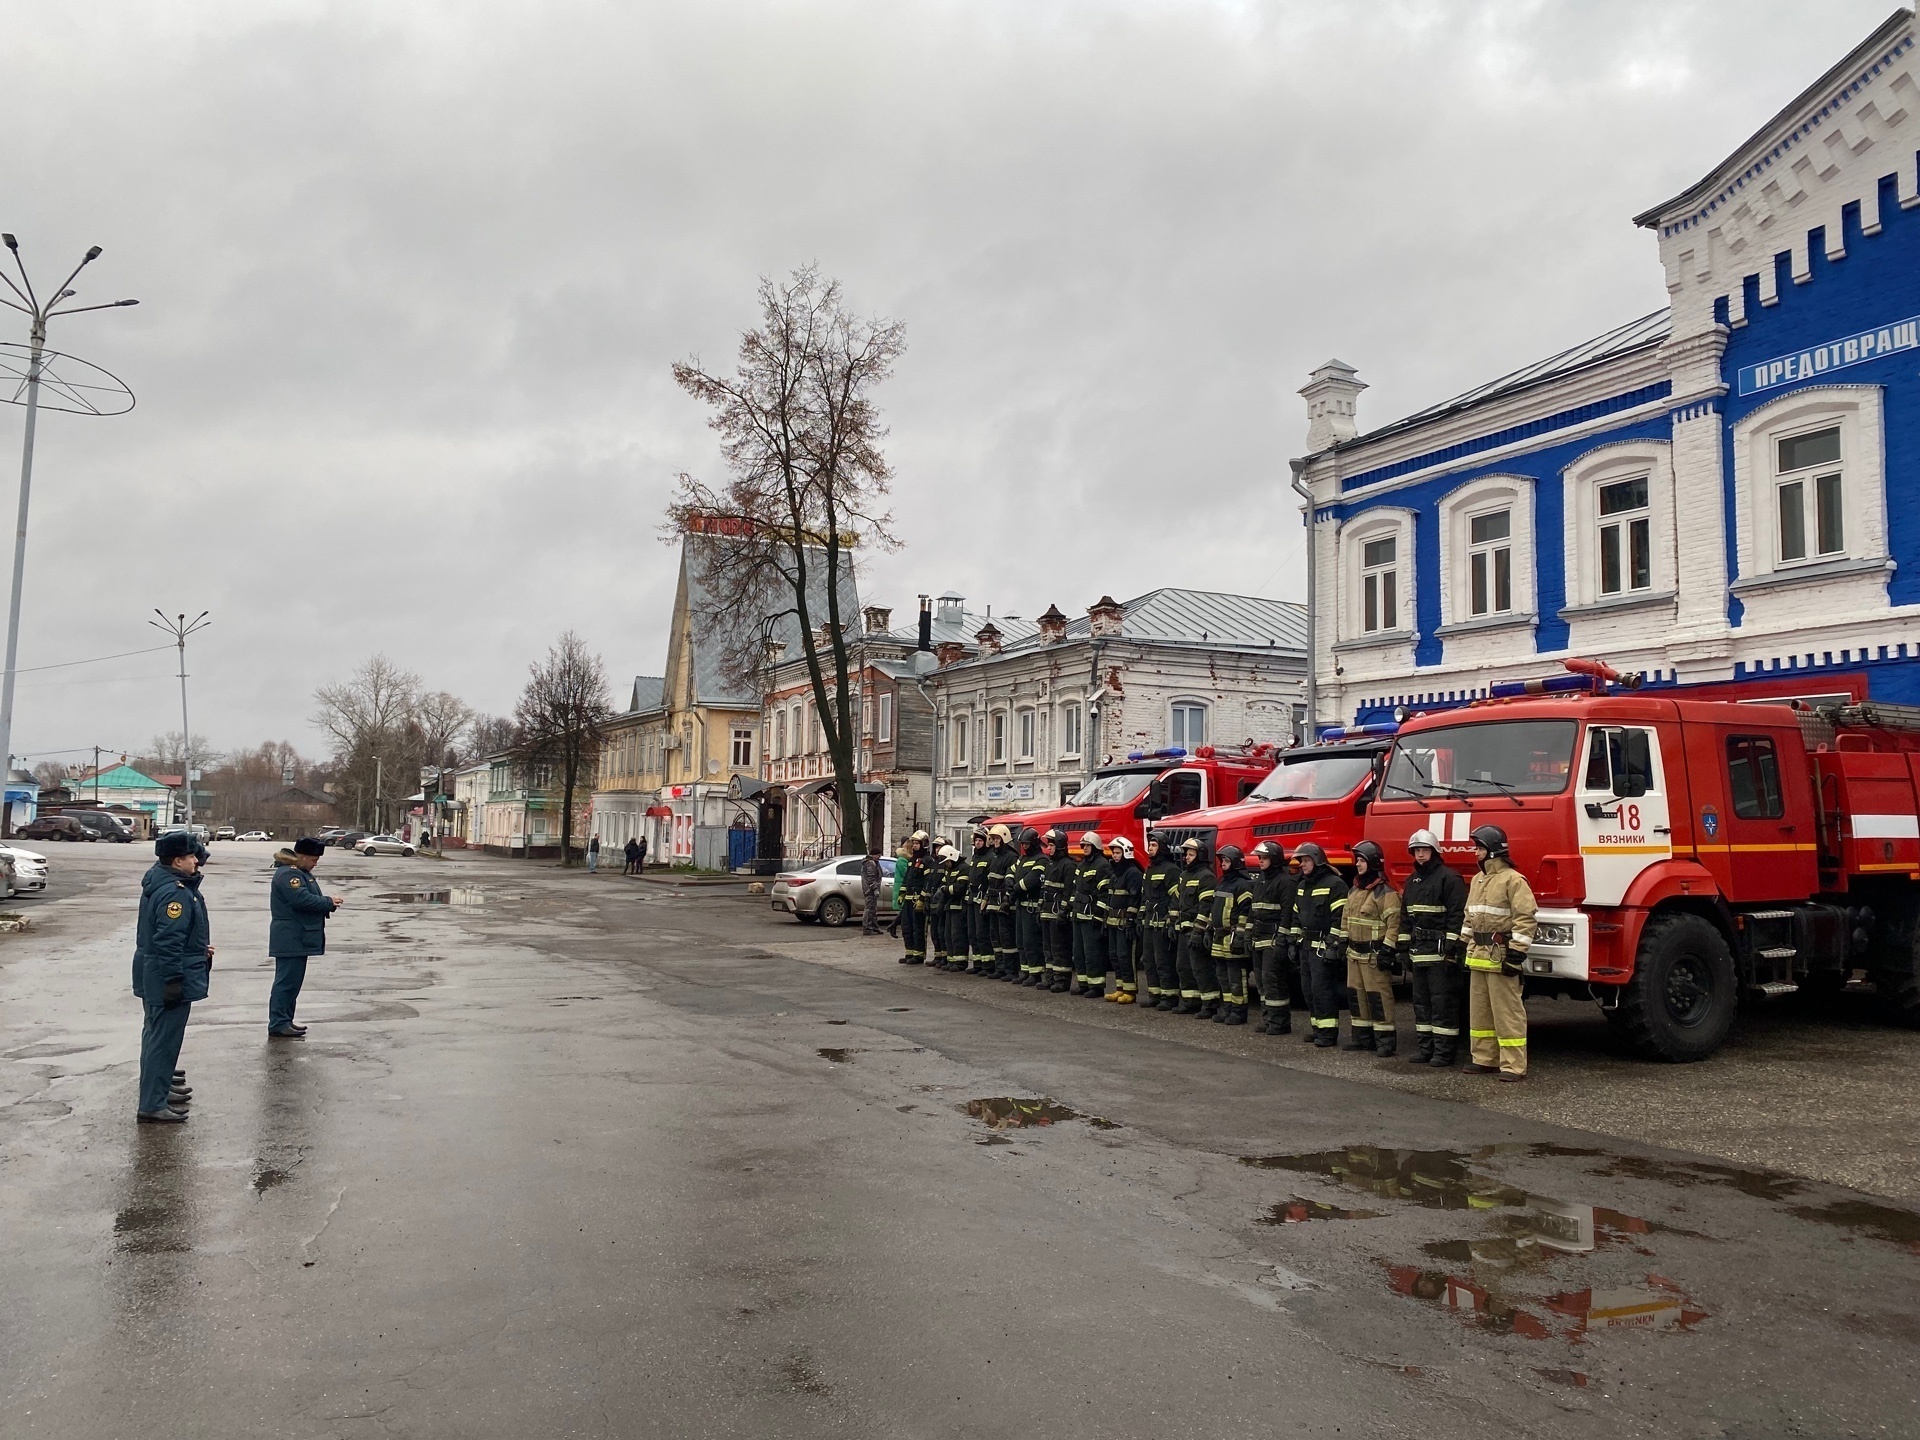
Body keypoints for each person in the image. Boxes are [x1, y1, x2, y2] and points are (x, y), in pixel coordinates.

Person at [136, 831, 213, 1122]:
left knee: (156, 1035)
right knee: (163, 1040)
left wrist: (198, 948)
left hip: (155, 969)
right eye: (192, 856)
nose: (197, 861)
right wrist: (173, 980)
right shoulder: (175, 892)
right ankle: (153, 1103)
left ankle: (158, 1089)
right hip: (165, 973)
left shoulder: (163, 881)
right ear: (178, 860)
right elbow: (169, 939)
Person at [1463, 824, 1537, 1082]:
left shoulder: (1513, 880)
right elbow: (1469, 917)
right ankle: (1484, 1059)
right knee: (1481, 1013)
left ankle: (1513, 1065)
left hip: (1501, 955)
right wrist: (1462, 945)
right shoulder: (1477, 880)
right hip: (1478, 956)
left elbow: (1525, 919)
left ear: (1493, 852)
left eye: (1479, 849)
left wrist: (1516, 954)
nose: (1476, 854)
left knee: (1507, 1014)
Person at [1401, 828, 1469, 1067]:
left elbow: (1457, 916)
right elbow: (1405, 917)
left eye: (1424, 850)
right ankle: (1425, 1049)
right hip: (1419, 951)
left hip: (1441, 953)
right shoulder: (1412, 881)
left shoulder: (1449, 879)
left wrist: (1452, 948)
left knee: (1443, 1004)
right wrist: (1402, 948)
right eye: (1417, 850)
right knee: (1421, 1004)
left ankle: (1444, 1052)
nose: (1420, 855)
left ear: (1434, 851)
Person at [268, 836, 341, 1039]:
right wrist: (328, 902)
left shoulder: (299, 873)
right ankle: (278, 1022)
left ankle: (285, 1020)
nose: (315, 864)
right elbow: (300, 899)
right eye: (313, 859)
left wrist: (327, 904)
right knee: (286, 982)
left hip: (298, 936)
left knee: (292, 983)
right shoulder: (289, 875)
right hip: (291, 936)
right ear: (301, 856)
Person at [1341, 839, 1401, 1056]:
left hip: (1374, 957)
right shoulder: (1354, 891)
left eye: (1362, 860)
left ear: (1373, 863)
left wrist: (1388, 950)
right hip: (1354, 956)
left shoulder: (1386, 893)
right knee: (1356, 997)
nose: (1357, 864)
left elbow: (1394, 926)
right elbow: (1345, 919)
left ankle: (1385, 1041)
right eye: (1357, 860)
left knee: (1378, 998)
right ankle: (1361, 1038)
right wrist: (1341, 941)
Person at [1291, 842, 1349, 1047]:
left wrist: (1333, 945)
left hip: (1323, 946)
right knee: (1308, 989)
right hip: (1306, 946)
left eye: (1306, 861)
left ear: (1317, 861)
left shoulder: (1335, 884)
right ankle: (1317, 1028)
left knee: (1322, 989)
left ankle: (1328, 1033)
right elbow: (1296, 915)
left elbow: (1339, 918)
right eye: (1301, 861)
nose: (1302, 865)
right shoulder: (1302, 885)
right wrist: (1293, 940)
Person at [1248, 840, 1296, 1035]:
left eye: (1264, 858)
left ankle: (1280, 1022)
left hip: (1274, 938)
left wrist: (1282, 940)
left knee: (1273, 980)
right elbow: (1253, 910)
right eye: (1259, 858)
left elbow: (1287, 913)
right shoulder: (1260, 880)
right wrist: (1247, 935)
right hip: (1258, 937)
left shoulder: (1286, 882)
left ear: (1274, 859)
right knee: (1260, 981)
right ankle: (1268, 1019)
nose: (1260, 861)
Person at [1207, 844, 1255, 1025]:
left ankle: (1239, 1012)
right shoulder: (1222, 883)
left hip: (1233, 937)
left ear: (1235, 863)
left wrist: (1241, 937)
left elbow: (1245, 912)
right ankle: (1226, 1009)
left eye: (1226, 861)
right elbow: (1215, 909)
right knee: (1223, 978)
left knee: (1237, 979)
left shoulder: (1242, 885)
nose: (1223, 864)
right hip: (1219, 938)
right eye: (1222, 861)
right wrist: (1208, 929)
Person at [1173, 837, 1218, 1016]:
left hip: (1196, 932)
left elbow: (1206, 906)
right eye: (1186, 855)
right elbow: (1176, 902)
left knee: (1202, 969)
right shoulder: (1184, 876)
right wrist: (1173, 922)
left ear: (1200, 855)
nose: (1187, 858)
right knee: (1183, 967)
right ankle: (1190, 1002)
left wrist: (1198, 932)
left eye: (1191, 854)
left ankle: (1209, 1005)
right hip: (1184, 931)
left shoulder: (1206, 877)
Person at [1140, 833, 1183, 1009]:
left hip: (1162, 924)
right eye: (1149, 845)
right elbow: (1144, 897)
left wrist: (1170, 920)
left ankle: (1169, 996)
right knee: (1149, 961)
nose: (1150, 848)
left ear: (1163, 848)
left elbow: (1176, 898)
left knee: (1163, 961)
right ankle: (1155, 994)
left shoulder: (1171, 870)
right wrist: (1139, 918)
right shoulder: (1149, 870)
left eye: (1154, 845)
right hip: (1149, 923)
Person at [1100, 836, 1143, 1003]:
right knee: (1115, 956)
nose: (1115, 856)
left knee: (1126, 957)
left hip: (1125, 924)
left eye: (1118, 852)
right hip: (1112, 923)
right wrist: (1105, 918)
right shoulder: (1115, 873)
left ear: (1126, 853)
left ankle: (1130, 991)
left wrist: (1131, 920)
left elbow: (1135, 899)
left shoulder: (1132, 873)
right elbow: (1109, 897)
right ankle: (1120, 988)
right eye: (1114, 853)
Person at [1069, 831, 1109, 996]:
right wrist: (1070, 910)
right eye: (1083, 845)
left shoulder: (1102, 866)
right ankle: (1083, 983)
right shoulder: (1082, 866)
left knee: (1093, 952)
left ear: (1095, 846)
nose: (1084, 848)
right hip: (1078, 916)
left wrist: (1098, 916)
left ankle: (1096, 986)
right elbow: (1075, 889)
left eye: (1087, 845)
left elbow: (1104, 893)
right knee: (1079, 953)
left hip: (1091, 917)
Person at [1040, 827, 1075, 992]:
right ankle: (1050, 977)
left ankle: (1062, 980)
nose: (1049, 848)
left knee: (1060, 947)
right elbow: (1044, 888)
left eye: (1052, 845)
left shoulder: (1068, 865)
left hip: (1058, 915)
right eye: (1048, 845)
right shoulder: (1050, 864)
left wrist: (1063, 912)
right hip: (1047, 912)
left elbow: (1069, 892)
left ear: (1060, 845)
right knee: (1048, 947)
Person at [984, 823, 1019, 979]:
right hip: (992, 902)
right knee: (995, 937)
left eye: (997, 838)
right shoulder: (995, 857)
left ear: (1004, 839)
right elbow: (991, 881)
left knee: (1007, 938)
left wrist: (1007, 901)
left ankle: (1011, 970)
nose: (995, 841)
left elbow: (1010, 882)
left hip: (1005, 905)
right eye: (993, 838)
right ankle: (1000, 968)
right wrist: (985, 899)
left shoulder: (1011, 857)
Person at [1014, 828, 1048, 986]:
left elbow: (1031, 881)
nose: (1024, 847)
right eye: (1023, 844)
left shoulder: (1041, 860)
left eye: (1027, 844)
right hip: (1021, 906)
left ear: (1034, 843)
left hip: (1031, 907)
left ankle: (1035, 974)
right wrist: (1009, 880)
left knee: (1031, 941)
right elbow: (1011, 871)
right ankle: (1026, 971)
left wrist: (1014, 887)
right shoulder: (1021, 859)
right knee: (1021, 940)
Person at [896, 831, 930, 964]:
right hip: (908, 900)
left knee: (918, 928)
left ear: (924, 844)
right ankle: (909, 952)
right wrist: (901, 893)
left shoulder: (927, 861)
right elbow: (907, 879)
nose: (914, 846)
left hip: (918, 901)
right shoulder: (912, 860)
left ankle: (918, 955)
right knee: (907, 927)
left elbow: (928, 881)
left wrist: (922, 899)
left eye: (917, 843)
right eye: (914, 843)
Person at [966, 826, 993, 975]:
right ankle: (977, 963)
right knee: (973, 933)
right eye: (976, 840)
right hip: (972, 899)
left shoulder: (990, 857)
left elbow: (990, 881)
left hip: (982, 899)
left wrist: (986, 898)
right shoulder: (975, 857)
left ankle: (987, 965)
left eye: (980, 840)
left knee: (982, 933)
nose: (977, 843)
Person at [925, 840, 953, 968]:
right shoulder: (933, 864)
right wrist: (925, 900)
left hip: (942, 902)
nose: (937, 850)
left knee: (942, 932)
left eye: (940, 847)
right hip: (932, 902)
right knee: (934, 932)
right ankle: (938, 956)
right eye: (936, 847)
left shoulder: (947, 865)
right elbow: (928, 883)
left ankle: (945, 957)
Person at [860, 846, 883, 935]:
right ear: (874, 855)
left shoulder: (872, 862)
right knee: (869, 909)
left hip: (870, 889)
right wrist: (875, 889)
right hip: (870, 890)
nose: (879, 857)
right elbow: (871, 877)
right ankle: (867, 928)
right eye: (878, 855)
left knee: (872, 909)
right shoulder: (870, 863)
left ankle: (873, 927)